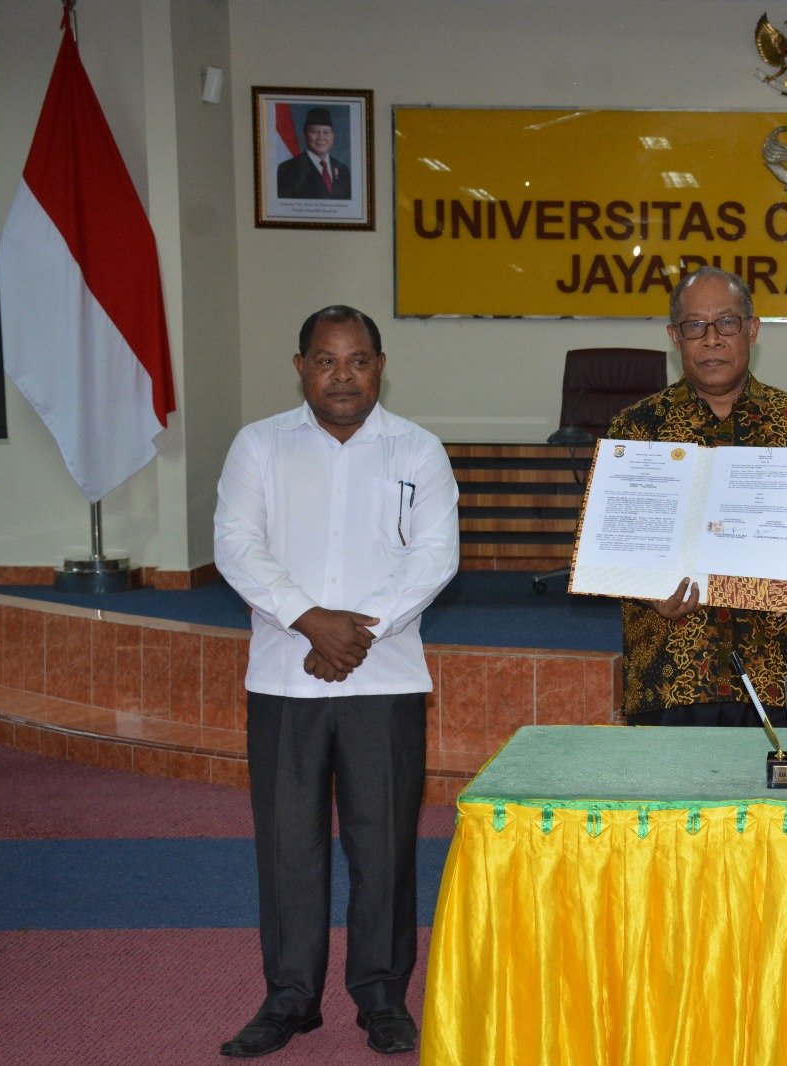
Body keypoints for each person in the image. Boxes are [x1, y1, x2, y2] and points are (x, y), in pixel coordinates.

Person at [213, 305, 458, 1058]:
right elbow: (236, 545)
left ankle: (382, 997)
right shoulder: (259, 445)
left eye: (357, 361)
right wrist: (309, 620)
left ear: (380, 366)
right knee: (288, 846)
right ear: (301, 367)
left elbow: (434, 556)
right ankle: (289, 1000)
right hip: (285, 676)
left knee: (383, 846)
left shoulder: (418, 450)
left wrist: (356, 633)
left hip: (382, 680)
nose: (342, 377)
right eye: (326, 361)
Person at [608, 266, 787, 726]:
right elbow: (608, 542)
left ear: (752, 330)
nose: (711, 339)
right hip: (670, 675)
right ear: (675, 336)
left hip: (772, 671)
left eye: (726, 323)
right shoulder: (638, 429)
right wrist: (648, 591)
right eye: (695, 326)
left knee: (765, 779)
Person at [275, 107, 352, 200]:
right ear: (305, 134)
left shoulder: (343, 170)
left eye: (326, 132)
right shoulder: (287, 169)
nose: (321, 137)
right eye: (315, 132)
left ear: (333, 136)